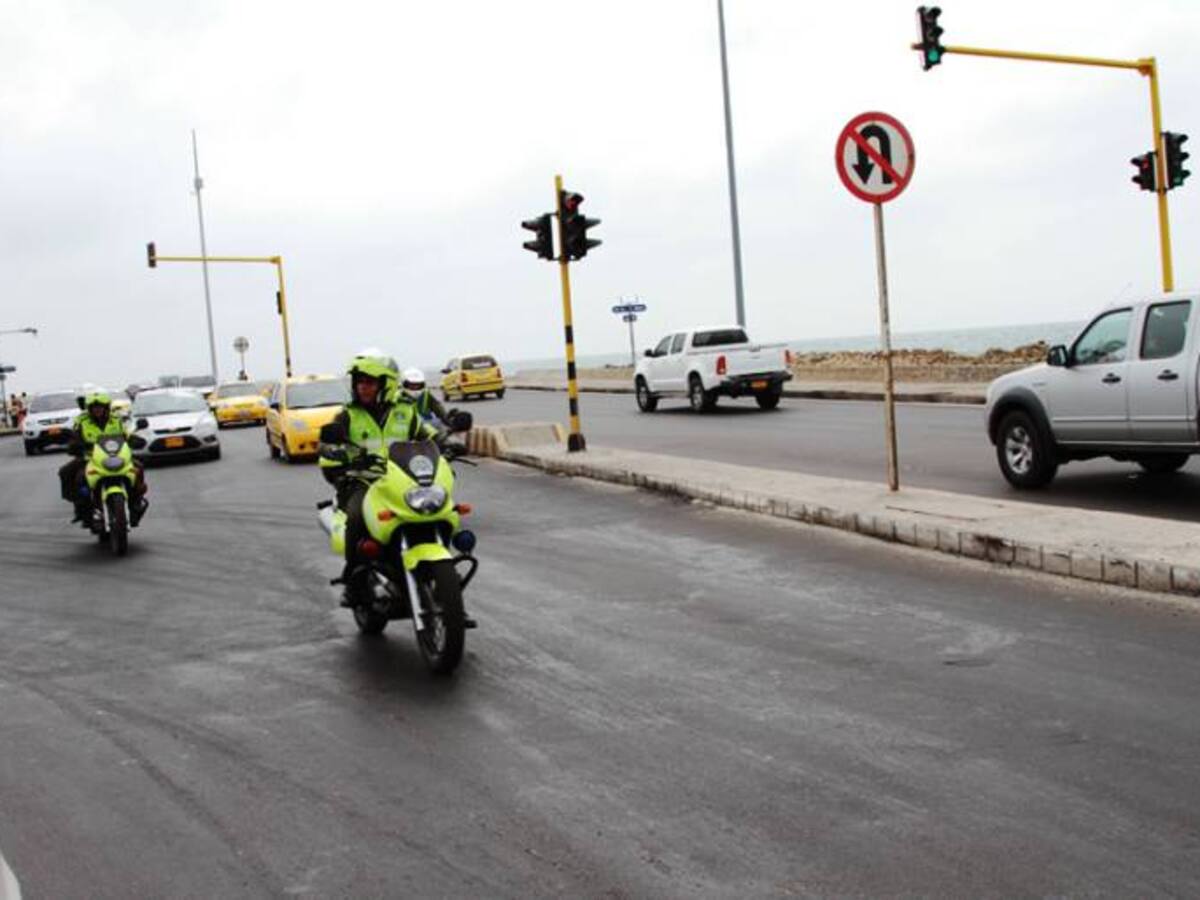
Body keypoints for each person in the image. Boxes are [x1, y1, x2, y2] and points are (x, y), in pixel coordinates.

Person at [319, 351, 439, 606]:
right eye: (360, 381)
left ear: (386, 384)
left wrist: (449, 441)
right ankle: (353, 580)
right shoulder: (348, 415)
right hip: (363, 481)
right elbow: (325, 447)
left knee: (437, 506)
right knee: (356, 515)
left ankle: (442, 579)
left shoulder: (405, 412)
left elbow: (428, 434)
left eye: (370, 382)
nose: (363, 387)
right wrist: (340, 453)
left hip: (403, 478)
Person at [59, 391, 146, 524]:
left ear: (106, 407)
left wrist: (135, 439)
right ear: (89, 409)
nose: (97, 410)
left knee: (138, 467)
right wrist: (74, 444)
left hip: (117, 456)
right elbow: (75, 436)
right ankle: (80, 506)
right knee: (69, 473)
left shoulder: (116, 420)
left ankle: (137, 500)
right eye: (94, 408)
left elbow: (125, 435)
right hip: (90, 458)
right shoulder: (82, 421)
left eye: (100, 407)